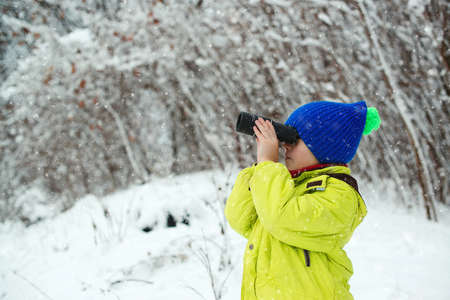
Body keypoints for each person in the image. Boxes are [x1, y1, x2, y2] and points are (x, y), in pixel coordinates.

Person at [225, 100, 380, 300]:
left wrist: (268, 165)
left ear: (325, 146)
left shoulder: (340, 195)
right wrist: (260, 168)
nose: (285, 145)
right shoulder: (284, 186)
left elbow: (281, 218)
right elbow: (240, 220)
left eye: (295, 139)